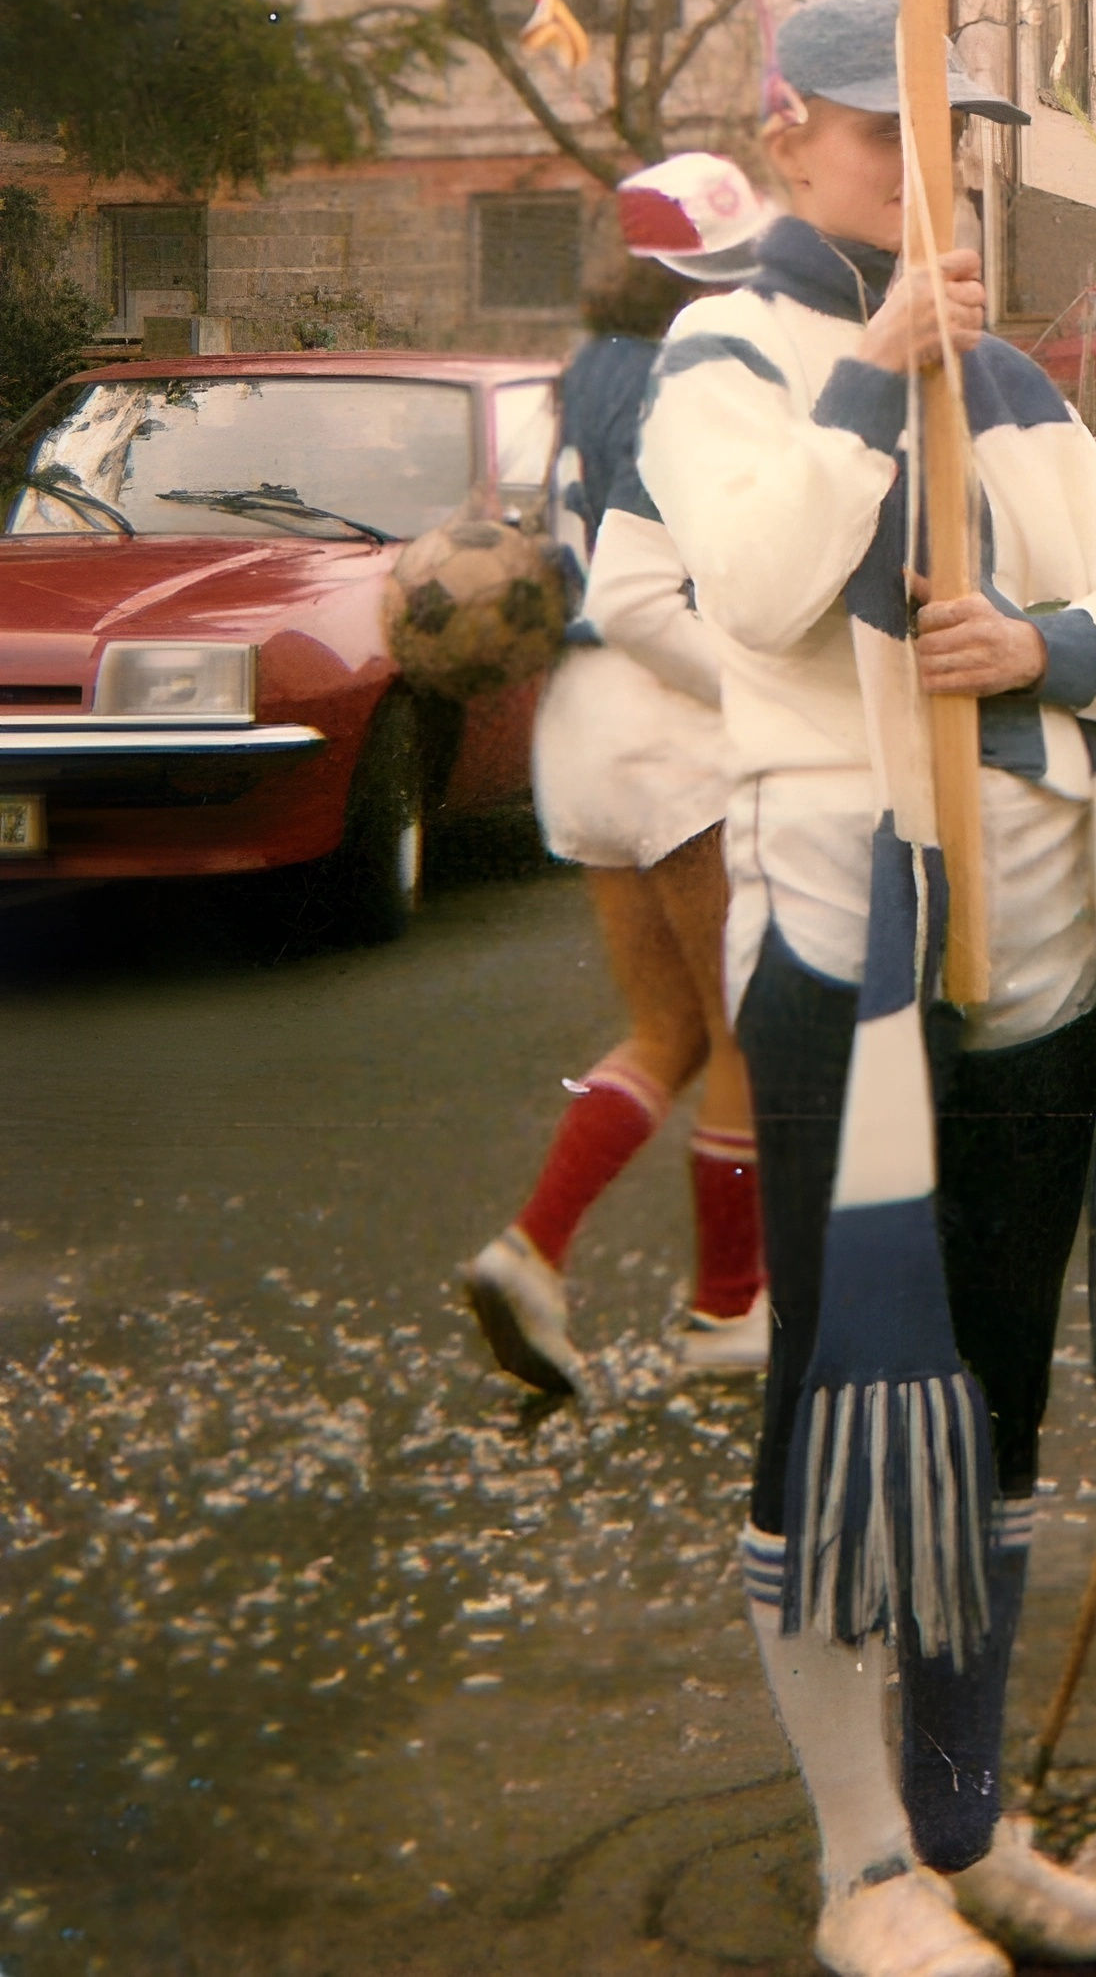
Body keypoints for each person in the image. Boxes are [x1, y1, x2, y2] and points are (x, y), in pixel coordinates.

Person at [637, 0, 1096, 1977]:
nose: (923, 166)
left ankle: (966, 1817)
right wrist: (873, 374)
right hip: (839, 943)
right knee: (844, 1386)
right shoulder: (724, 353)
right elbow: (759, 586)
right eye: (882, 130)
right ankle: (863, 1860)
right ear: (786, 133)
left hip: (1037, 944)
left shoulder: (1018, 377)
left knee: (999, 1392)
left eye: (946, 132)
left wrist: (1042, 646)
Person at [459, 154, 776, 1397]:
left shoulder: (581, 367)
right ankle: (728, 1307)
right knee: (745, 1022)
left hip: (578, 715)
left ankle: (532, 1246)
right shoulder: (690, 371)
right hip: (668, 703)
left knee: (670, 1027)